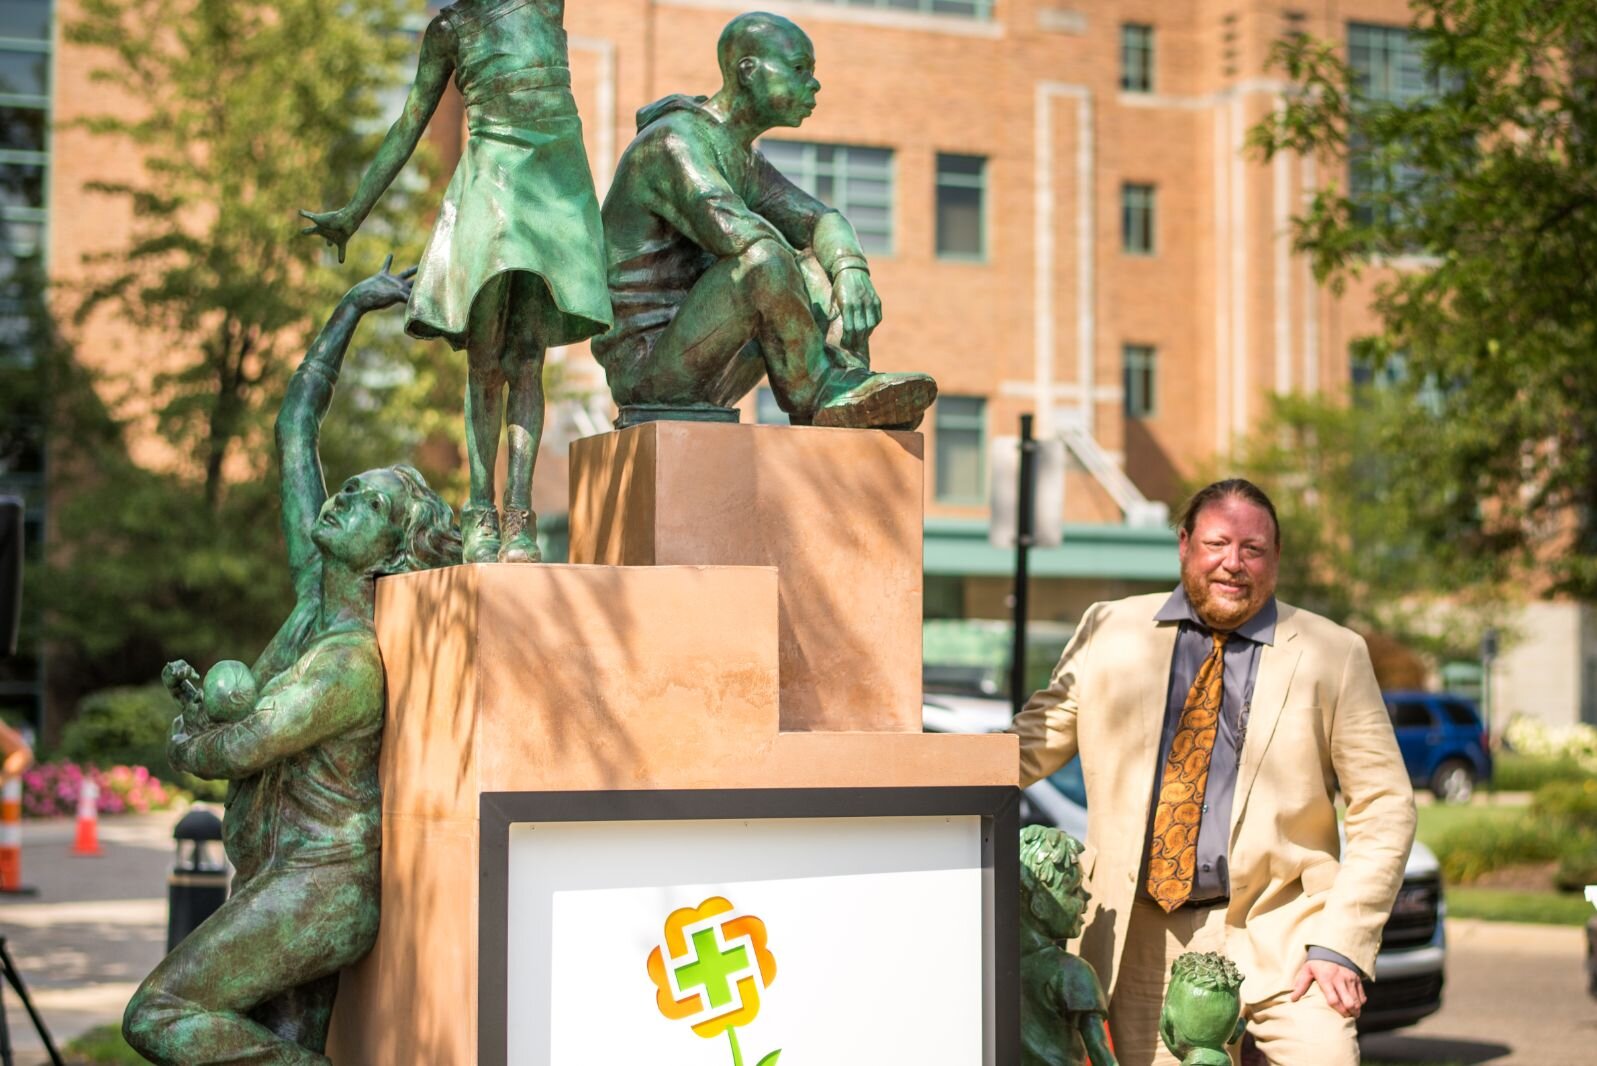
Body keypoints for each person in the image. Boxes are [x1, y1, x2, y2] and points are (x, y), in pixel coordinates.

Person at [122, 262, 462, 1065]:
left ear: (393, 551)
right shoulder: (314, 598)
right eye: (347, 490)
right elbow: (294, 427)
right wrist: (350, 306)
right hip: (275, 872)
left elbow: (232, 752)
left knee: (160, 1013)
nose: (341, 501)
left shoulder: (347, 663)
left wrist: (191, 731)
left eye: (370, 505)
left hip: (320, 889)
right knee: (267, 1040)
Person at [1010, 478, 1416, 1066]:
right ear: (1184, 545)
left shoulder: (1335, 652)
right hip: (1143, 935)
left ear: (1275, 559)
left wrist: (1342, 942)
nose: (1234, 563)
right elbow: (1027, 747)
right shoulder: (1110, 628)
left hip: (1285, 930)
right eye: (1217, 543)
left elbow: (1386, 807)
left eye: (1253, 549)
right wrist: (914, 785)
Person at [300, 0, 611, 563]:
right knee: (486, 360)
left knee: (526, 357)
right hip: (491, 191)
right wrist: (354, 211)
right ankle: (480, 513)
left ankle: (519, 519)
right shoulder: (451, 28)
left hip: (554, 192)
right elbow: (410, 120)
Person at [592, 12, 937, 430]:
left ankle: (843, 384)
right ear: (748, 71)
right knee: (765, 261)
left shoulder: (741, 156)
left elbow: (821, 220)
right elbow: (736, 237)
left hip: (710, 359)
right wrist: (809, 270)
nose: (814, 84)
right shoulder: (672, 142)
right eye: (798, 69)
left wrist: (849, 267)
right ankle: (822, 389)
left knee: (814, 259)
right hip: (650, 367)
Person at [1019, 825, 1117, 1066]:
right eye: (1074, 890)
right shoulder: (1072, 972)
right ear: (1040, 903)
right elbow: (1101, 1053)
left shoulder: (992, 965)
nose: (1086, 897)